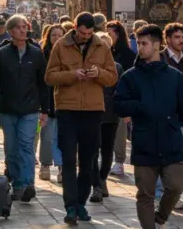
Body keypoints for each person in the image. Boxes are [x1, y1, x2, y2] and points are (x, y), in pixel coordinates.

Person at [114, 24, 183, 229]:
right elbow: (118, 104)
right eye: (139, 44)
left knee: (176, 186)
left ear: (156, 45)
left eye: (144, 44)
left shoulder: (174, 76)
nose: (140, 48)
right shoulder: (131, 76)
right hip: (144, 142)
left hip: (171, 140)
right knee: (145, 194)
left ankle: (160, 217)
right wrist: (139, 106)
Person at [45, 12, 118, 224]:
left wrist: (98, 73)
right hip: (67, 110)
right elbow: (49, 77)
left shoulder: (102, 47)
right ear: (75, 27)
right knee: (68, 159)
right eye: (82, 32)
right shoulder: (61, 45)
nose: (85, 36)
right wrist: (71, 75)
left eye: (89, 33)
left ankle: (80, 204)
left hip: (93, 111)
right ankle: (70, 206)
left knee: (88, 160)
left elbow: (112, 77)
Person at [0, 15, 49, 203]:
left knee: (26, 147)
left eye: (25, 27)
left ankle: (26, 184)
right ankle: (16, 182)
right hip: (8, 108)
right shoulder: (2, 53)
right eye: (19, 27)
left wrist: (45, 110)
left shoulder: (36, 54)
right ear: (11, 31)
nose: (23, 30)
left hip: (30, 109)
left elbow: (43, 84)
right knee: (11, 149)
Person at [155, 22, 183, 210]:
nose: (181, 41)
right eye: (177, 37)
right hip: (162, 113)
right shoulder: (159, 58)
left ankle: (173, 193)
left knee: (181, 156)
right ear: (168, 39)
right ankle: (161, 193)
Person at [89, 33, 124, 203]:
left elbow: (121, 91)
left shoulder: (116, 67)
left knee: (107, 148)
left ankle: (102, 178)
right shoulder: (88, 66)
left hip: (110, 114)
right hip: (92, 112)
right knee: (93, 150)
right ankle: (96, 184)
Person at [106, 20, 137, 176]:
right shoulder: (104, 51)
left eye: (110, 33)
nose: (107, 36)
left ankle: (119, 161)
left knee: (119, 131)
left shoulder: (127, 54)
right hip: (104, 97)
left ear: (117, 34)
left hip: (121, 97)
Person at [37, 24, 65, 183]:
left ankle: (62, 166)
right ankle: (45, 165)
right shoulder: (43, 56)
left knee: (62, 137)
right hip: (47, 100)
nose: (57, 38)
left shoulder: (69, 55)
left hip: (64, 101)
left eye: (60, 35)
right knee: (46, 136)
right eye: (53, 35)